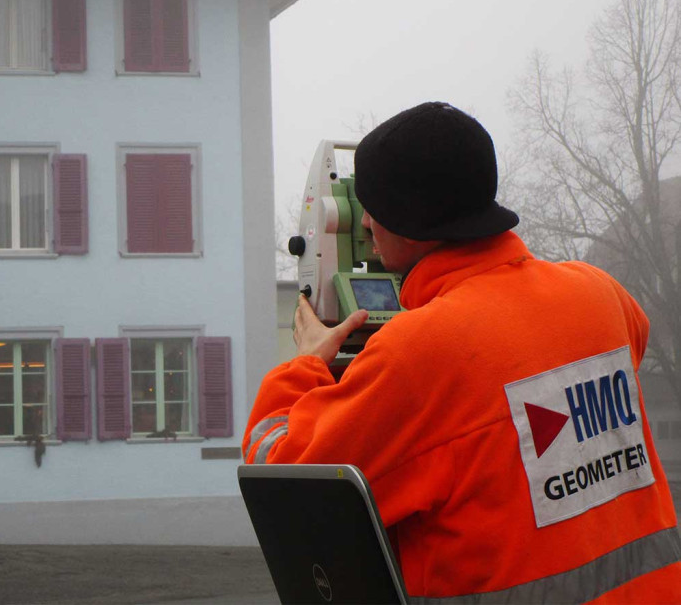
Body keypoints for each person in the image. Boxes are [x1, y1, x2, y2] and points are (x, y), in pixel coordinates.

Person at [244, 102, 681, 602]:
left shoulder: (418, 353)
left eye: (372, 209)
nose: (365, 223)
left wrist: (306, 364)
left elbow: (288, 480)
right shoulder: (599, 292)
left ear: (404, 223)